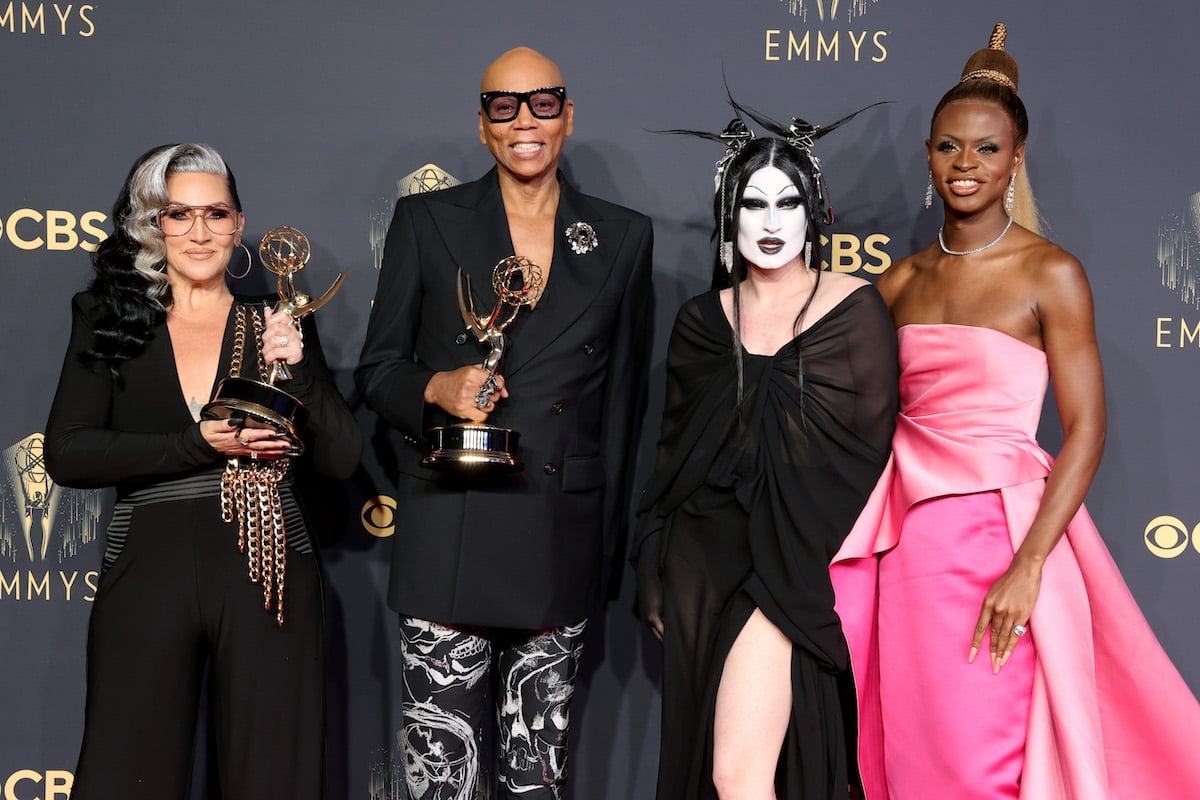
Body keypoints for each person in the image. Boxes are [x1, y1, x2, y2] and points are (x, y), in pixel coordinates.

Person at [829, 24, 1200, 799]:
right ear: (928, 156)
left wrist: (1029, 564)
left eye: (987, 149)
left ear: (1016, 158)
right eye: (949, 147)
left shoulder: (1050, 273)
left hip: (1004, 540)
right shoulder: (896, 284)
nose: (966, 165)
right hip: (909, 549)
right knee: (914, 754)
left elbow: (1087, 429)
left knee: (983, 758)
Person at [355, 46, 653, 798]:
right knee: (441, 780)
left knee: (535, 782)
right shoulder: (426, 220)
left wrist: (607, 549)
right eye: (504, 106)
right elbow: (377, 372)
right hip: (448, 531)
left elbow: (623, 408)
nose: (525, 122)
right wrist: (437, 386)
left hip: (559, 538)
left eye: (543, 104)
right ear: (483, 125)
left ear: (568, 116)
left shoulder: (623, 236)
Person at [44, 143, 361, 800]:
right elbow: (68, 453)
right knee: (125, 774)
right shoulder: (108, 318)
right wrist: (196, 444)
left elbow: (342, 458)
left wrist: (299, 369)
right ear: (153, 224)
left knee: (274, 778)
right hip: (149, 561)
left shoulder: (275, 320)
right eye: (179, 214)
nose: (199, 232)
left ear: (238, 225)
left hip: (269, 563)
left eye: (216, 214)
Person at [634, 106, 898, 799]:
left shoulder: (855, 309)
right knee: (703, 768)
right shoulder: (700, 321)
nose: (772, 222)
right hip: (700, 559)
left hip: (790, 561)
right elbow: (671, 457)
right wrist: (652, 558)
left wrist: (806, 560)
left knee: (737, 772)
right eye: (753, 204)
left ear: (816, 214)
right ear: (729, 216)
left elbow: (865, 458)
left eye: (789, 203)